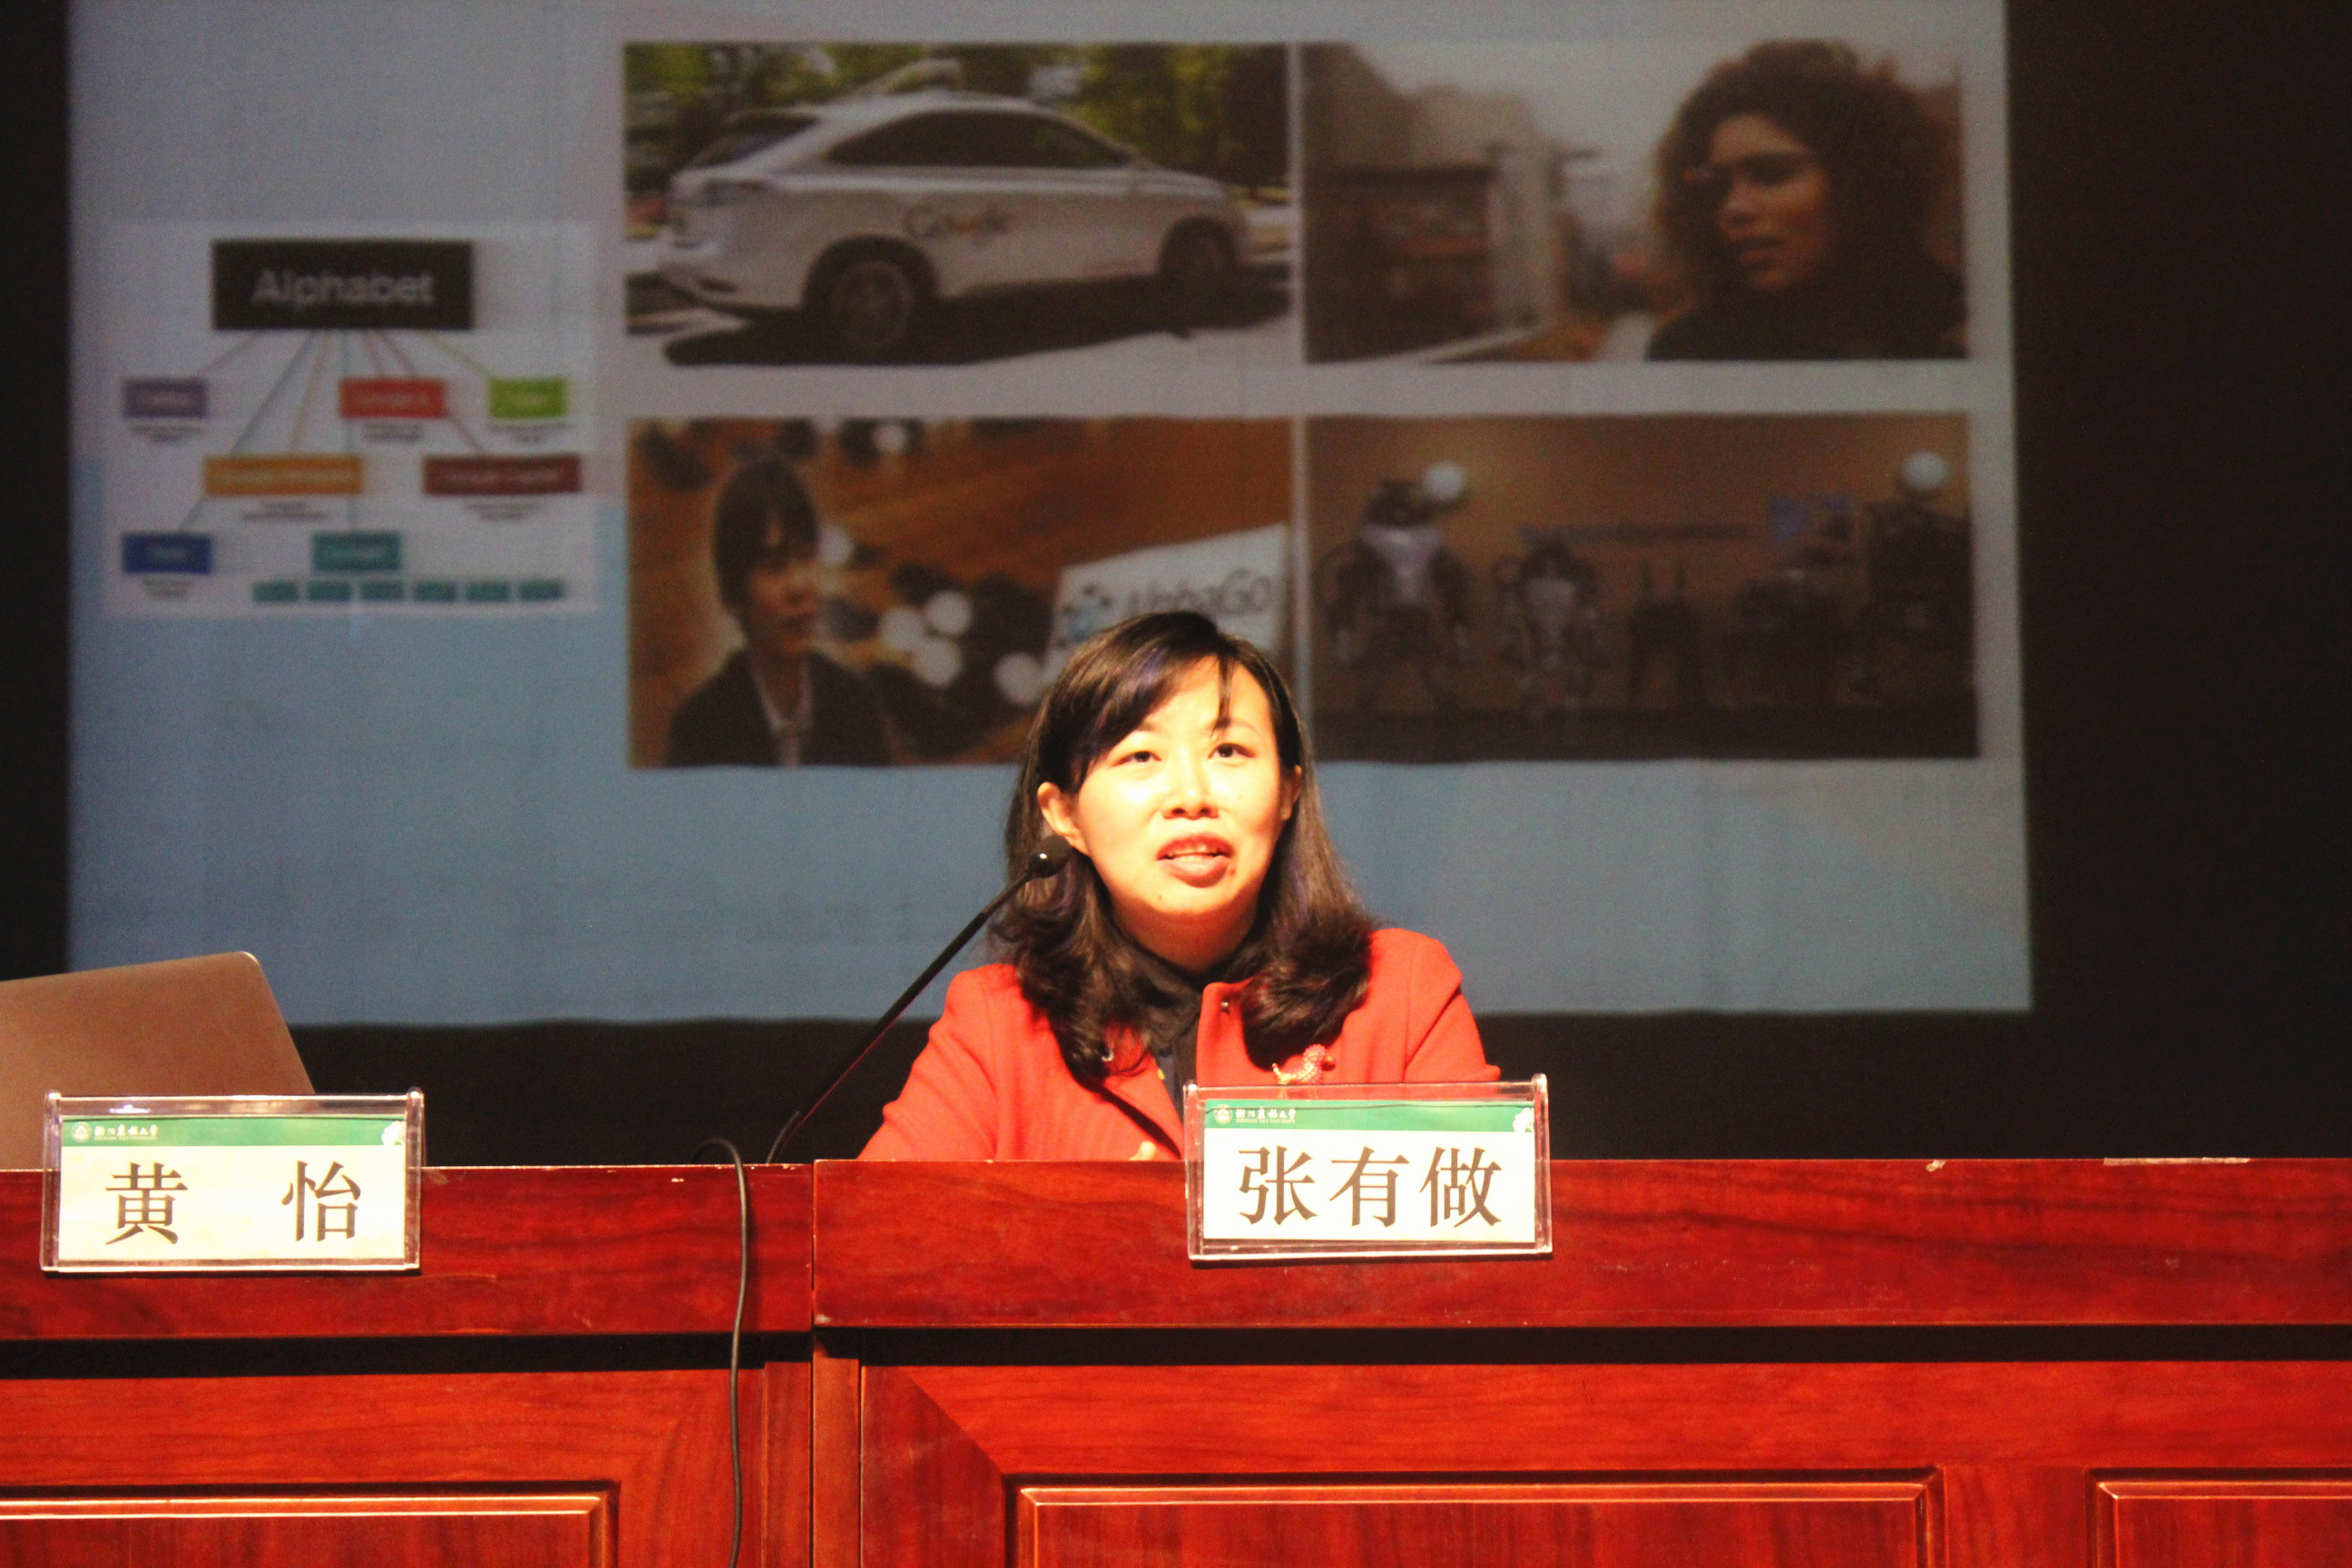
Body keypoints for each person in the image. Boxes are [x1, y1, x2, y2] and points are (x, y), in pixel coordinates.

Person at [863, 611, 1494, 1161]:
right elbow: (874, 1240)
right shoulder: (997, 1024)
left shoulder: (1400, 994)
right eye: (1141, 756)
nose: (1192, 796)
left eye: (1229, 752)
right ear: (1065, 815)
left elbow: (1488, 1234)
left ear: (1288, 792)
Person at [1646, 41, 1965, 361]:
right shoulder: (1691, 349)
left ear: (1861, 179)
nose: (1733, 208)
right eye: (1717, 186)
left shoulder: (1965, 332)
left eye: (1772, 175)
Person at [665, 456, 891, 767]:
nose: (800, 586)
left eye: (807, 557)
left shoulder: (857, 705)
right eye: (775, 567)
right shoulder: (698, 734)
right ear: (733, 594)